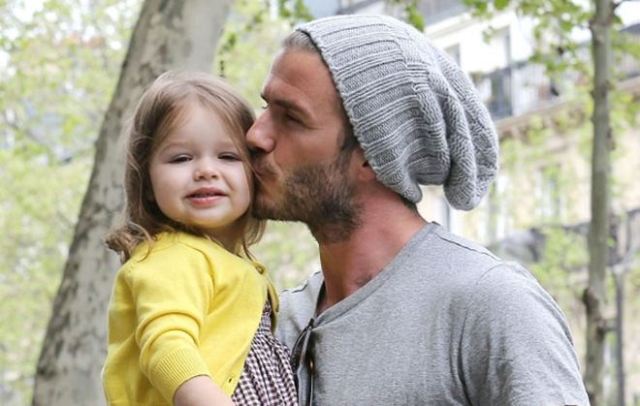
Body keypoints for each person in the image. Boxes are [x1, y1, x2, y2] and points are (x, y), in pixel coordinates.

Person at [247, 14, 590, 406]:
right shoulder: (278, 319)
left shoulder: (489, 306)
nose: (256, 134)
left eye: (291, 118)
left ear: (373, 155)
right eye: (265, 107)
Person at [102, 71, 297, 406]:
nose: (206, 170)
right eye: (181, 158)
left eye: (228, 156)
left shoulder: (230, 264)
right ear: (147, 182)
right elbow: (167, 347)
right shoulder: (169, 258)